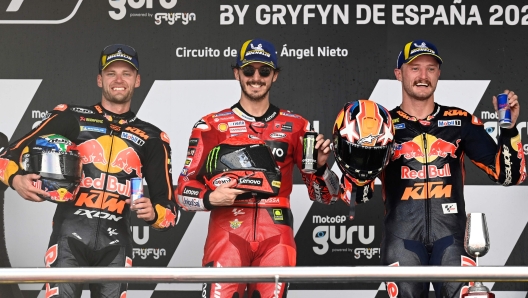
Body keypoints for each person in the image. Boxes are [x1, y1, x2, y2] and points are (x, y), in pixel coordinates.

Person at [0, 44, 178, 298]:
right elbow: (7, 155)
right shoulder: (72, 117)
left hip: (116, 248)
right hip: (68, 241)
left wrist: (154, 214)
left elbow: (170, 210)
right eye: (111, 73)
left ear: (137, 81)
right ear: (99, 79)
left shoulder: (152, 138)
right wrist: (16, 180)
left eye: (126, 74)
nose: (118, 80)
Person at [176, 38, 339, 298]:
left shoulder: (298, 125)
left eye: (264, 71)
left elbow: (326, 196)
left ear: (274, 76)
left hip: (277, 235)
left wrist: (321, 169)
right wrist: (210, 197)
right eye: (249, 70)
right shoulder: (211, 125)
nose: (256, 77)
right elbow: (182, 191)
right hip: (226, 232)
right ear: (236, 73)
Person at [375, 40, 525, 298]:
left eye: (431, 69)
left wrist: (509, 130)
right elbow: (357, 190)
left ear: (439, 74)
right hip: (401, 241)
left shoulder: (461, 121)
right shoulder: (381, 126)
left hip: (452, 241)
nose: (423, 76)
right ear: (398, 74)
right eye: (415, 68)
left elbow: (508, 176)